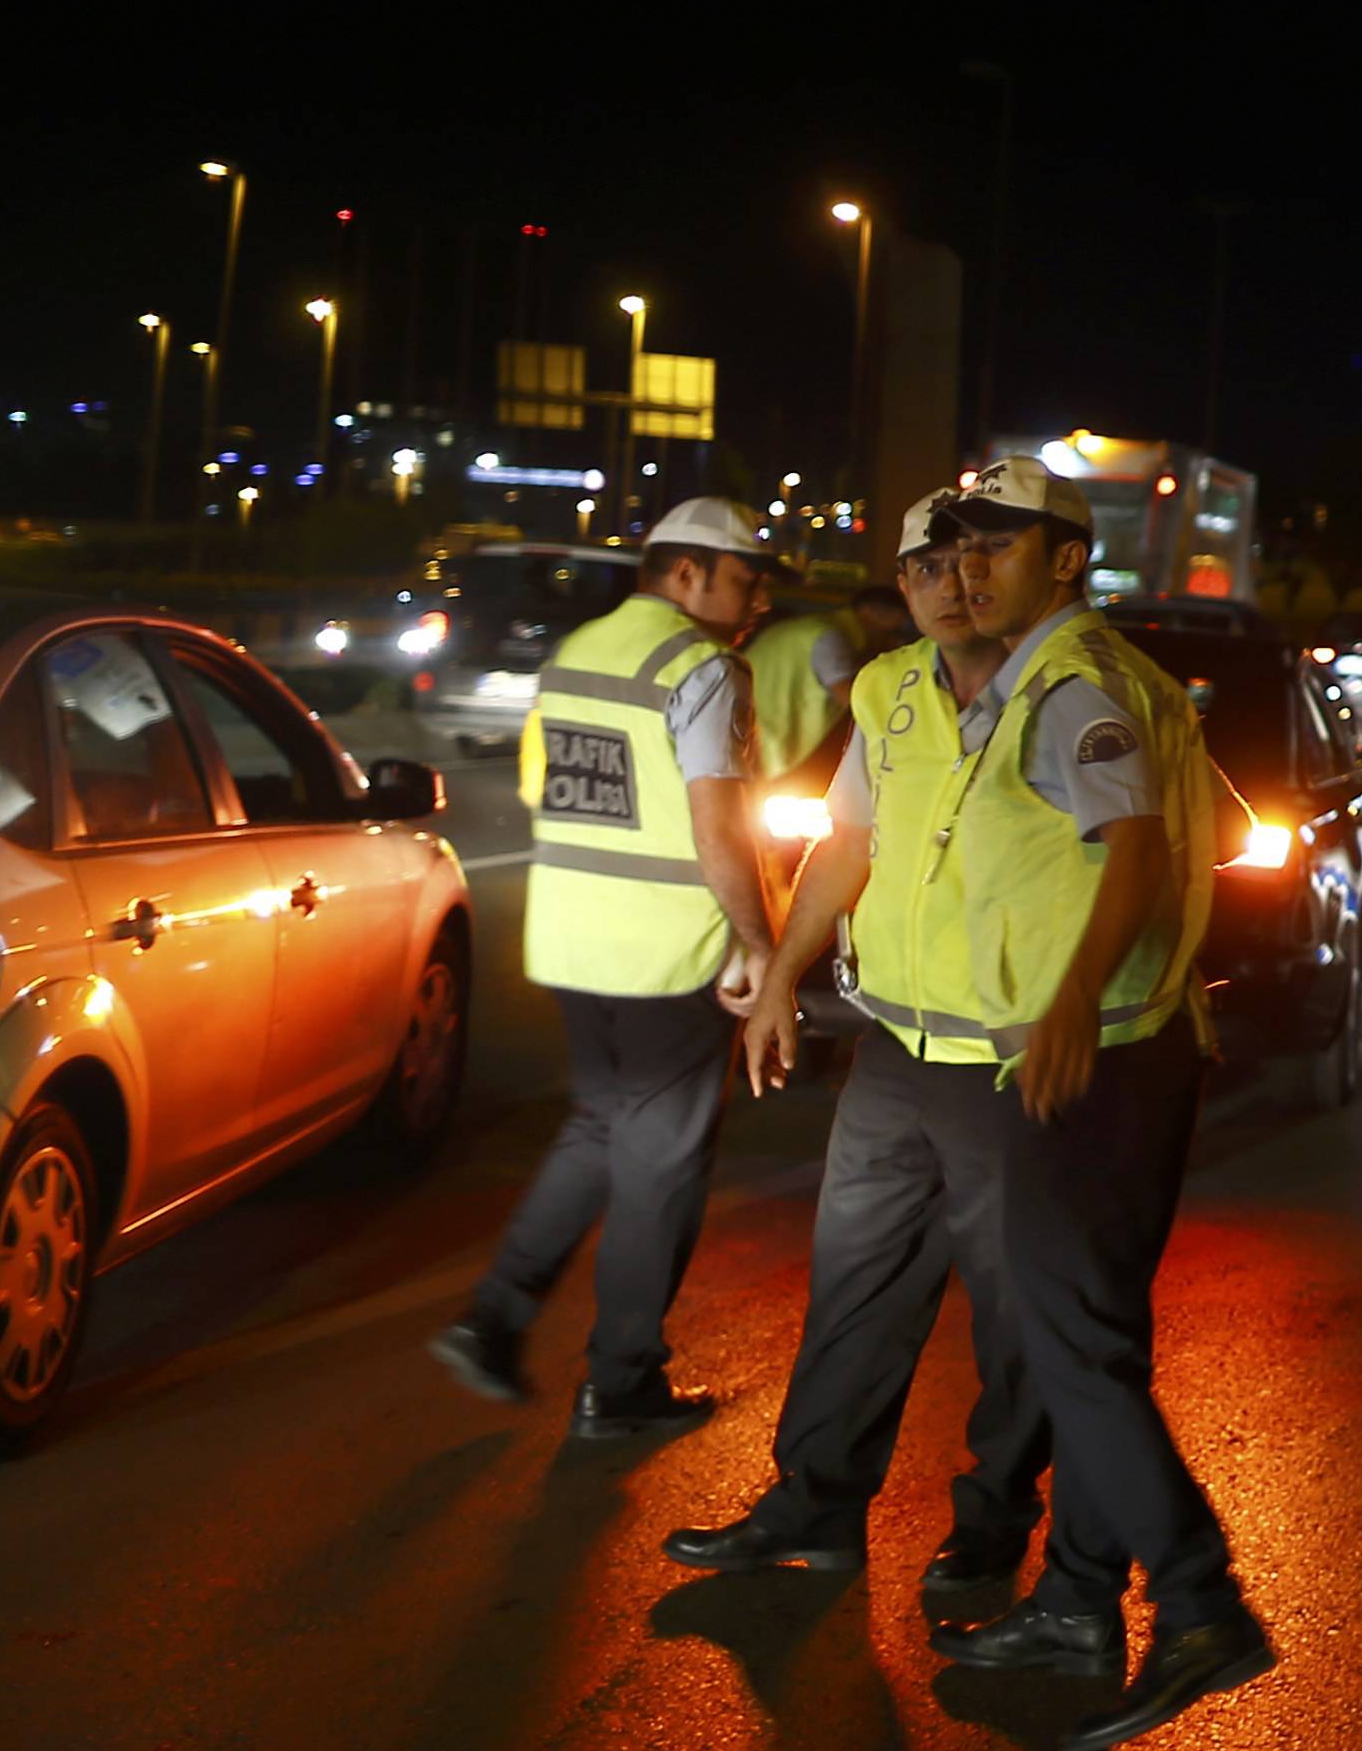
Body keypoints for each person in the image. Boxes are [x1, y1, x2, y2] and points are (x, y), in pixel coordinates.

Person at [922, 455, 1273, 1751]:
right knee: (1093, 1343)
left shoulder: (1070, 688)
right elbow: (1221, 830)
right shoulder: (1102, 681)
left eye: (998, 546)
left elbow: (1134, 845)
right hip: (1137, 1049)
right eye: (958, 547)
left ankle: (1197, 1603)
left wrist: (1071, 990)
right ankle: (1076, 1602)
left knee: (1070, 1345)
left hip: (1091, 1059)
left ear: (1065, 559)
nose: (969, 567)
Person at [660, 490, 1049, 1581]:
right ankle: (814, 1509)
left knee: (1017, 1308)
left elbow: (1174, 844)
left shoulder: (1073, 690)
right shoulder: (888, 688)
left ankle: (993, 1522)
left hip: (1010, 1058)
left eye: (969, 566)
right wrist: (784, 973)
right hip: (897, 1046)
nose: (947, 589)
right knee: (856, 1283)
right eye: (923, 570)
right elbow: (848, 842)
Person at [429, 498, 779, 1440]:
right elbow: (717, 826)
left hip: (575, 940)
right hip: (667, 952)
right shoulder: (700, 668)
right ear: (688, 572)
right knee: (660, 1167)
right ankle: (621, 1382)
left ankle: (492, 1316)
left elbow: (550, 786)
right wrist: (762, 942)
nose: (756, 602)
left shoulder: (577, 653)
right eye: (746, 578)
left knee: (598, 1128)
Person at [744, 603, 862, 785]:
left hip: (749, 737)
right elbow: (854, 701)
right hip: (769, 745)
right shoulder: (828, 638)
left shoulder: (801, 630)